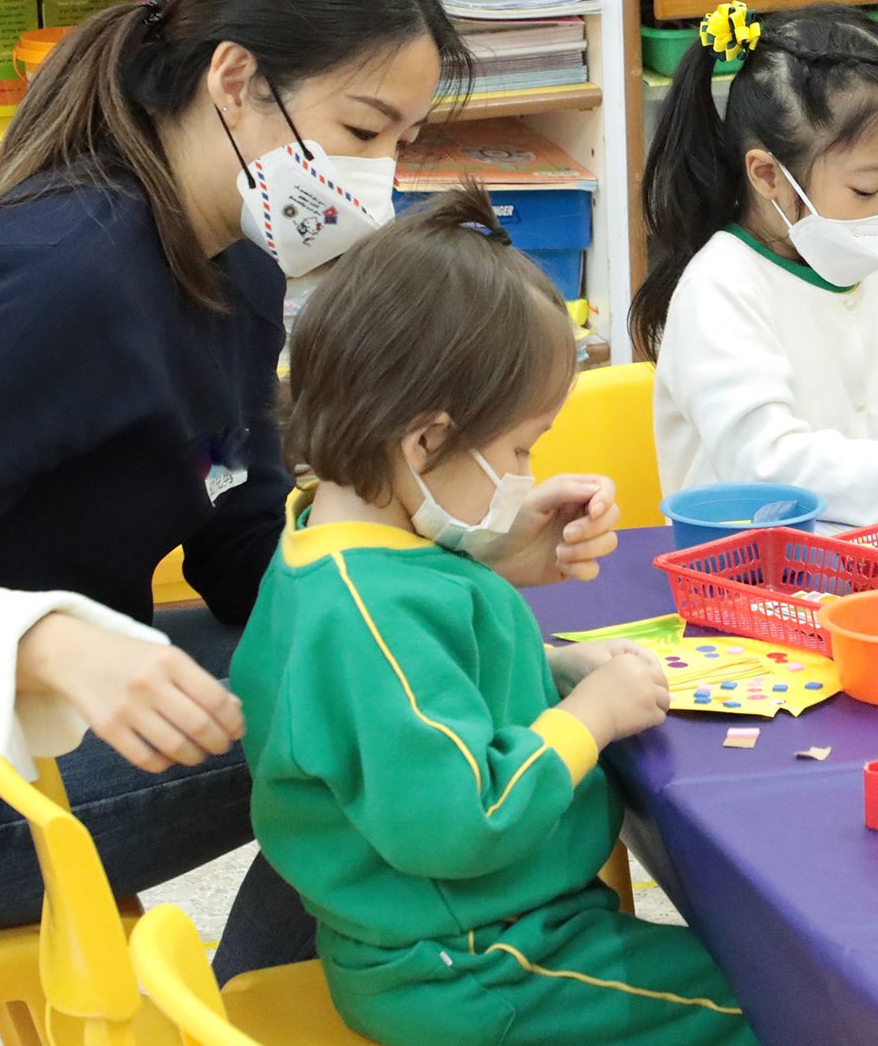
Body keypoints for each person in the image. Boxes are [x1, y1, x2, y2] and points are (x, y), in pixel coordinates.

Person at [0, 0, 618, 975]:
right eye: (362, 129)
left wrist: (464, 543)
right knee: (379, 741)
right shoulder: (59, 277)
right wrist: (48, 642)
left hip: (9, 727)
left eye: (401, 141)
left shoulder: (238, 264)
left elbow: (243, 543)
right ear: (234, 79)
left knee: (389, 677)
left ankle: (276, 1007)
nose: (379, 173)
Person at [231, 185, 756, 1046]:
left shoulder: (343, 548)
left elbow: (427, 706)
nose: (525, 473)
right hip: (473, 966)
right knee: (776, 1007)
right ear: (425, 441)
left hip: (480, 934)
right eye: (519, 448)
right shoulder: (367, 614)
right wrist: (589, 717)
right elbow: (462, 817)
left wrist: (549, 665)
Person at [633, 1, 878, 525]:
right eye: (865, 189)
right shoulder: (721, 288)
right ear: (768, 175)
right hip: (750, 562)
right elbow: (766, 464)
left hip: (869, 549)